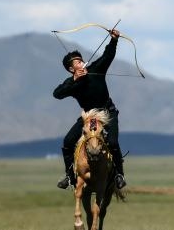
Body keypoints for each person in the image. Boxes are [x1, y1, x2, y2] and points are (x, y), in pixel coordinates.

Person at [53, 31, 127, 190]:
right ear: (71, 69)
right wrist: (74, 81)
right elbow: (57, 94)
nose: (81, 63)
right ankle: (70, 177)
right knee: (67, 142)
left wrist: (114, 39)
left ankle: (119, 174)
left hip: (107, 112)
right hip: (89, 116)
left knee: (113, 142)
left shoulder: (96, 68)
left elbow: (108, 55)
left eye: (81, 60)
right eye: (77, 63)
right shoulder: (72, 83)